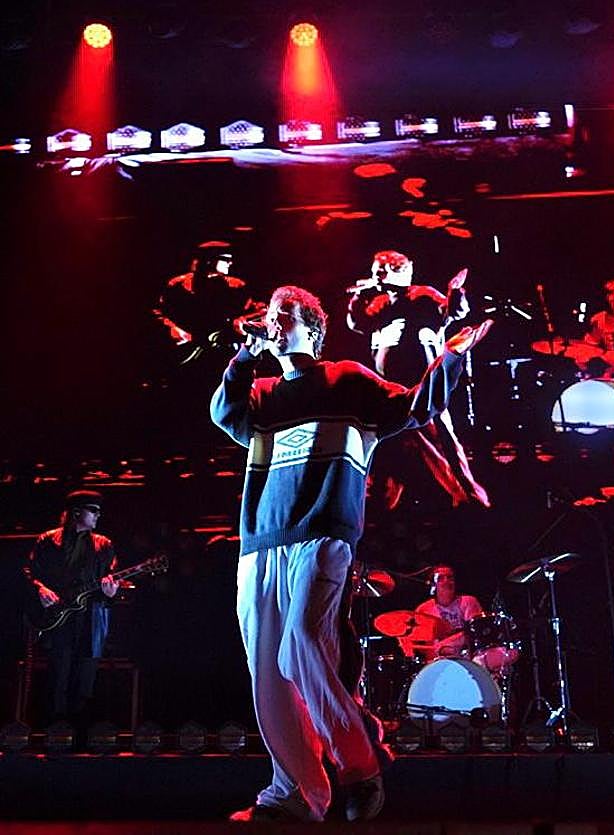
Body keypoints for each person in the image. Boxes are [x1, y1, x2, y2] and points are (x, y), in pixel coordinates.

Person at [210, 284, 492, 823]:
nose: (272, 323)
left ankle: (359, 761)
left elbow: (415, 406)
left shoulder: (348, 379)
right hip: (260, 540)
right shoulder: (262, 392)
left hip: (323, 528)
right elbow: (225, 414)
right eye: (269, 316)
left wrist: (453, 356)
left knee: (300, 646)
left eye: (284, 315)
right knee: (267, 671)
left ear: (312, 328)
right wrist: (243, 354)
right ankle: (295, 793)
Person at [347, 249, 489, 508]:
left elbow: (455, 312)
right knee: (384, 446)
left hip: (421, 386)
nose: (374, 276)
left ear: (395, 271)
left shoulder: (422, 295)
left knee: (441, 440)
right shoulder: (379, 302)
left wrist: (455, 291)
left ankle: (470, 499)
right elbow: (357, 324)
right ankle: (379, 502)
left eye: (379, 270)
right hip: (387, 389)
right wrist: (358, 297)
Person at [24, 490, 118, 725]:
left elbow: (111, 579)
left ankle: (81, 735)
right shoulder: (48, 540)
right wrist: (40, 589)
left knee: (85, 679)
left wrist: (112, 591)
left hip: (90, 619)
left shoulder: (103, 544)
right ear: (77, 512)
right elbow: (29, 571)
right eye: (93, 510)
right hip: (59, 618)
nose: (98, 515)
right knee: (58, 676)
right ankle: (53, 732)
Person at [154, 240, 262, 364]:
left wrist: (243, 321)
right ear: (209, 260)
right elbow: (159, 312)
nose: (230, 263)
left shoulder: (236, 286)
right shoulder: (178, 285)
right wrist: (174, 330)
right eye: (225, 259)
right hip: (188, 351)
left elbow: (254, 309)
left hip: (224, 352)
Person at [414, 564, 483, 661]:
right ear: (433, 584)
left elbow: (475, 633)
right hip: (436, 664)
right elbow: (419, 646)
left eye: (450, 577)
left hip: (468, 660)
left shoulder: (468, 602)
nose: (446, 581)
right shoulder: (423, 610)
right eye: (441, 578)